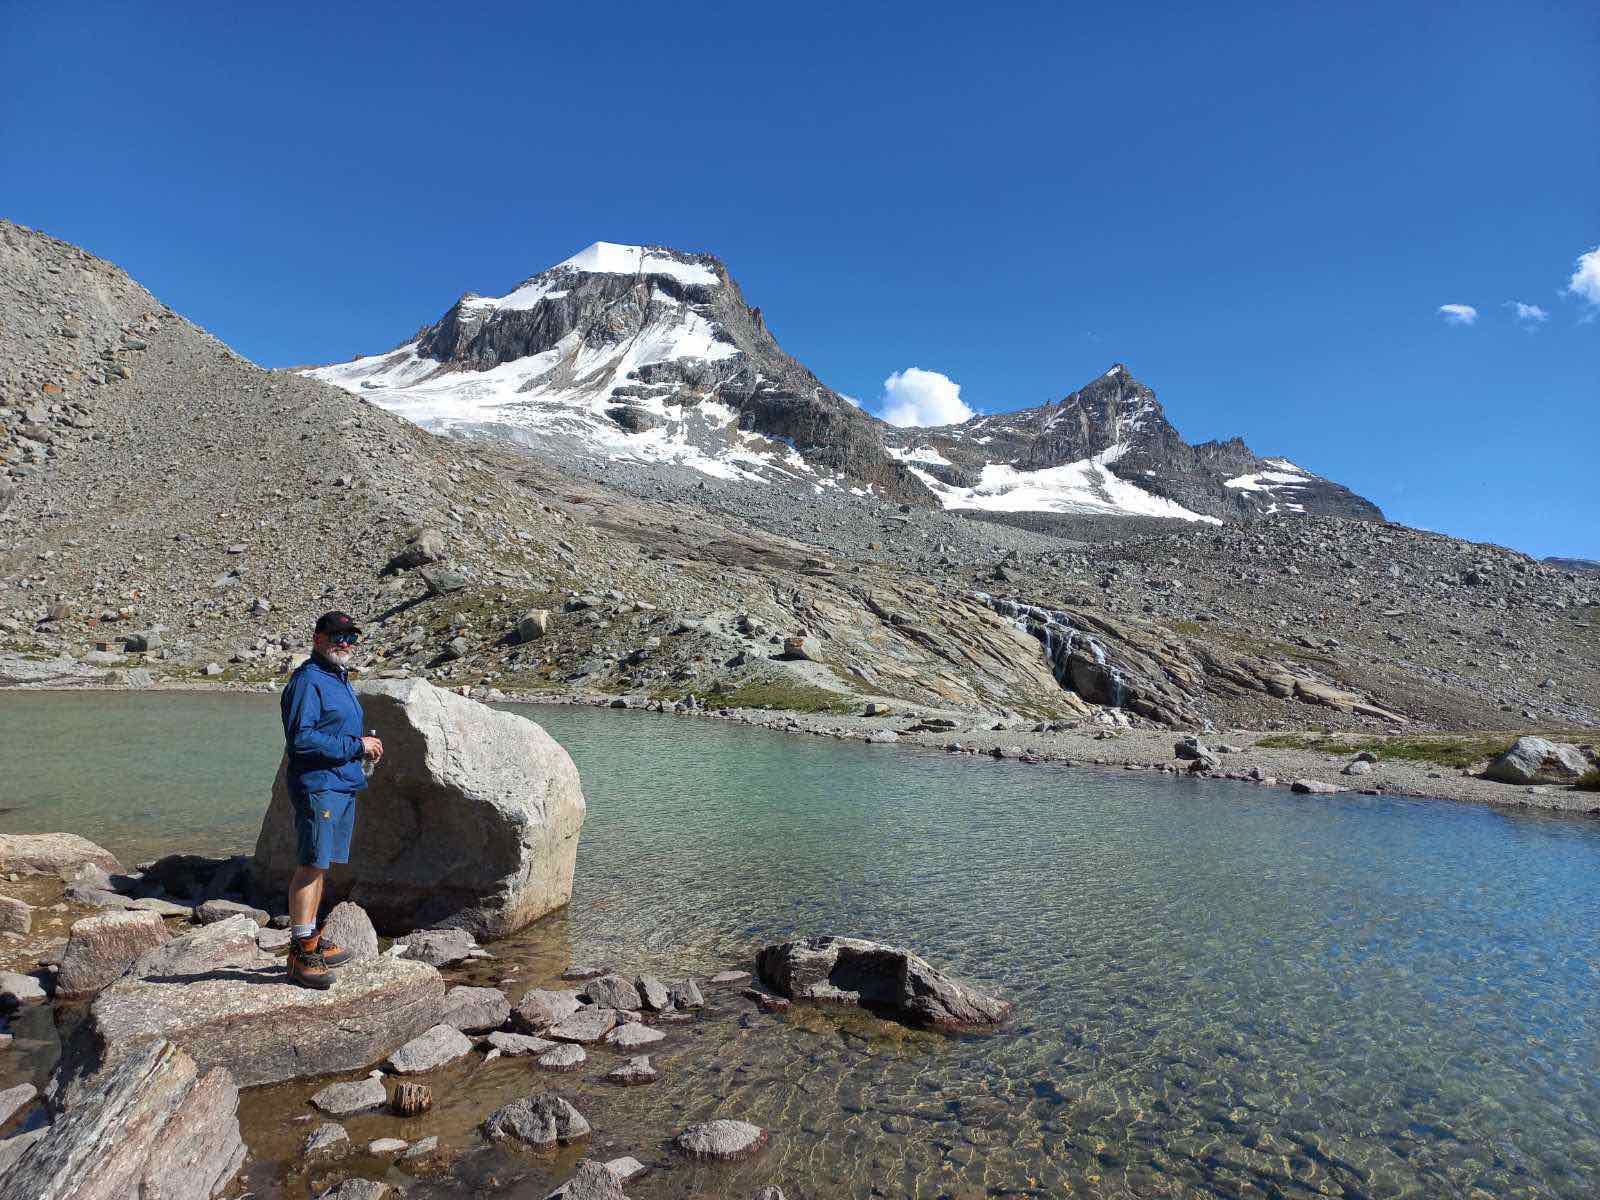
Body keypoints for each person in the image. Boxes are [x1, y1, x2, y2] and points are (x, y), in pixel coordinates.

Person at [278, 611, 383, 988]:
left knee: (320, 864)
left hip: (340, 783)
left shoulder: (336, 677)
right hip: (319, 786)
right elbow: (302, 740)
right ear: (317, 639)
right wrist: (356, 746)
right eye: (336, 636)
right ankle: (300, 953)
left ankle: (311, 937)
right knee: (310, 864)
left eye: (350, 637)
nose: (344, 643)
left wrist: (361, 749)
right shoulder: (308, 681)